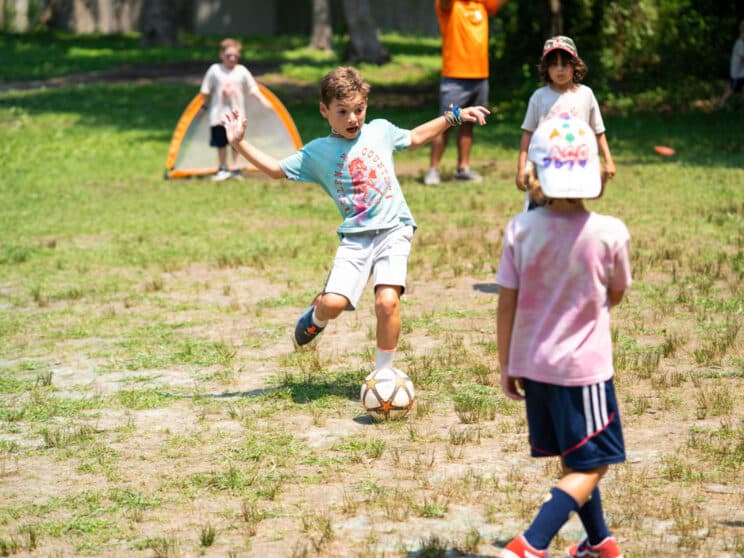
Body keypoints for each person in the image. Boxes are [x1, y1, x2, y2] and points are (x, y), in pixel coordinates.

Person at [221, 66, 489, 371]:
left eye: (359, 110)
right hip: (356, 238)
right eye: (342, 112)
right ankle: (315, 316)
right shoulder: (317, 152)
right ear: (324, 111)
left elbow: (414, 137)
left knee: (387, 302)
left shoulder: (380, 130)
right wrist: (238, 143)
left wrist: (452, 116)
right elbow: (274, 169)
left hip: (394, 229)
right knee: (333, 305)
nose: (353, 119)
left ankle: (383, 374)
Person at [495, 114, 631, 558]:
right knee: (596, 462)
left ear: (538, 173)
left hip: (534, 367)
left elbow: (506, 304)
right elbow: (617, 291)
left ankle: (599, 542)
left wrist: (506, 365)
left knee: (576, 457)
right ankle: (529, 545)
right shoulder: (610, 232)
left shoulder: (520, 229)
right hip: (584, 372)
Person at [516, 35, 615, 210]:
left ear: (575, 65)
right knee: (538, 210)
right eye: (554, 64)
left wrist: (608, 160)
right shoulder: (539, 97)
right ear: (546, 68)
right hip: (542, 166)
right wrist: (521, 167)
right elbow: (527, 133)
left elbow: (598, 131)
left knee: (571, 209)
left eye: (565, 64)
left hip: (574, 163)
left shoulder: (586, 95)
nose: (559, 70)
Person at [423, 0, 508, 185]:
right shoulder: (450, 6)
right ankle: (433, 170)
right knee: (445, 123)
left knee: (468, 124)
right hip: (455, 77)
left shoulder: (482, 5)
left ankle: (463, 169)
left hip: (480, 76)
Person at [200, 38, 273, 181]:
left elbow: (253, 89)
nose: (232, 58)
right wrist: (203, 107)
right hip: (218, 115)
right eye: (228, 55)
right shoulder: (215, 70)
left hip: (236, 115)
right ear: (221, 55)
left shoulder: (242, 71)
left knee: (236, 142)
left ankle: (236, 169)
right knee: (220, 143)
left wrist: (264, 100)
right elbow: (206, 91)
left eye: (235, 56)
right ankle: (222, 168)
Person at [716, 19, 744, 110]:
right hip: (737, 73)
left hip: (739, 73)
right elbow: (742, 58)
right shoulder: (740, 44)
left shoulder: (740, 43)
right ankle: (720, 106)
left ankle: (723, 106)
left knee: (732, 90)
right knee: (731, 90)